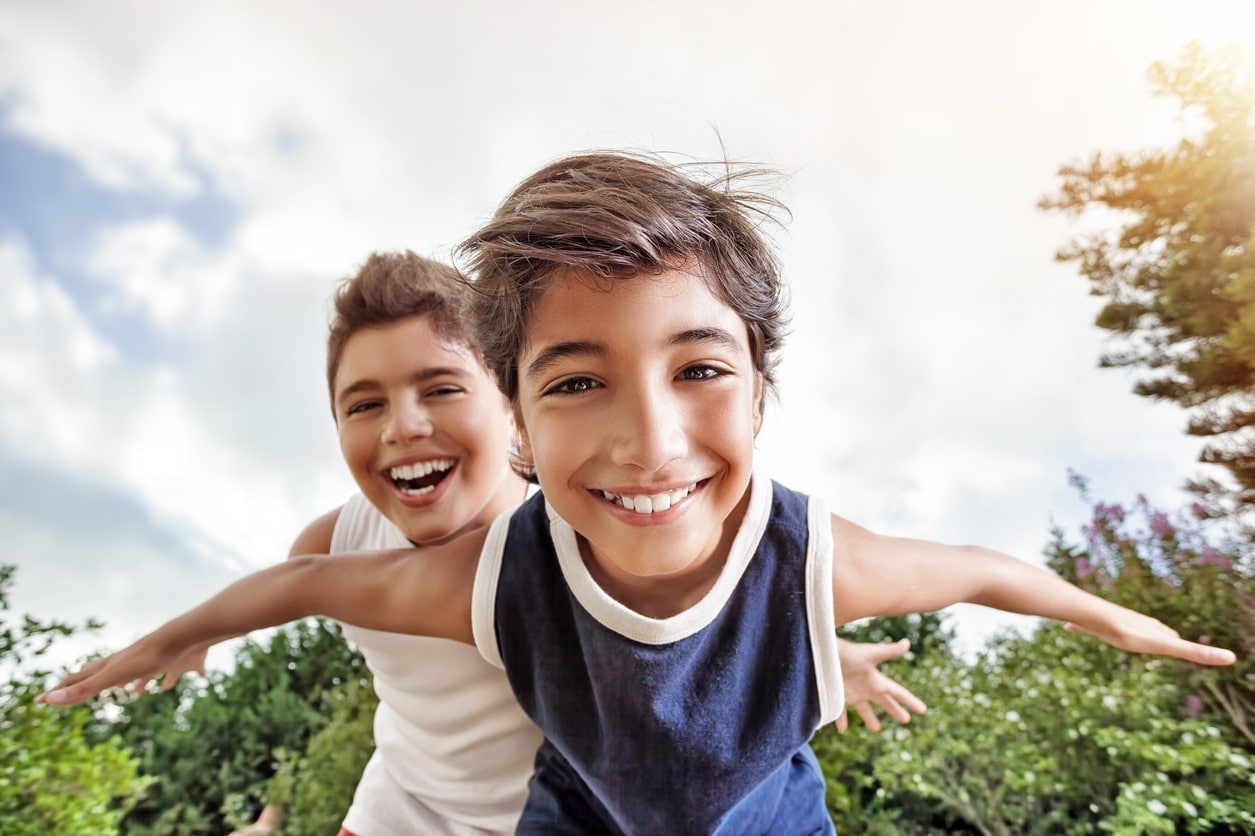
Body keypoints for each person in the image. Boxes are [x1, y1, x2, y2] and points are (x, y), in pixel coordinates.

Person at [41, 151, 1236, 835]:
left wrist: (1113, 617)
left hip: (752, 805)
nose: (647, 439)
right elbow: (296, 584)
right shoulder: (475, 569)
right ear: (529, 407)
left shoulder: (804, 552)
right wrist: (179, 635)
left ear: (762, 384)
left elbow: (980, 567)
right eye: (578, 382)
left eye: (700, 370)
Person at [146, 250, 926, 836]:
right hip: (401, 813)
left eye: (441, 388)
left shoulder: (592, 525)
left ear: (511, 405)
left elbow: (718, 620)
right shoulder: (333, 541)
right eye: (364, 403)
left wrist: (814, 655)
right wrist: (205, 629)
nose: (403, 427)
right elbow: (287, 595)